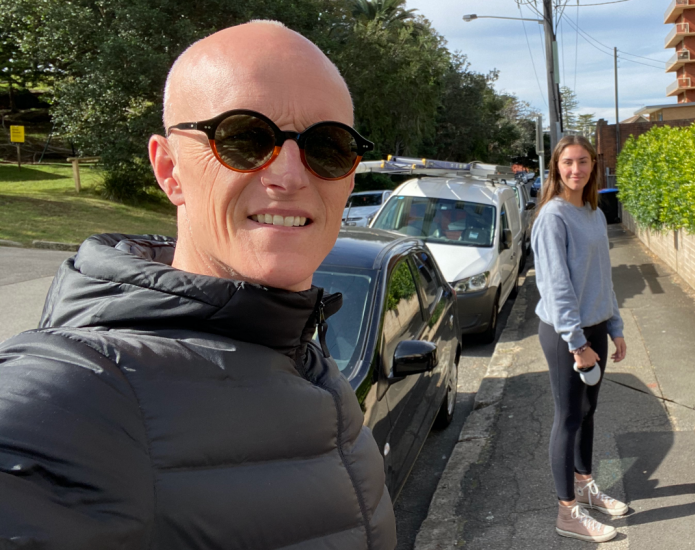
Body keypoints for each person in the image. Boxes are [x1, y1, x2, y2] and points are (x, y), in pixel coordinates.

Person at [0, 21, 397, 549]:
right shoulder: (80, 392)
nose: (291, 175)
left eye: (326, 146)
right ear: (169, 169)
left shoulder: (308, 361)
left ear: (348, 176)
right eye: (246, 138)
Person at [531, 135, 629, 543]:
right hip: (563, 333)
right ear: (556, 168)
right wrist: (576, 343)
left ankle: (585, 484)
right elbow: (557, 287)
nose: (576, 170)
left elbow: (602, 279)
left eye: (584, 161)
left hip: (594, 328)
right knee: (568, 417)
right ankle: (566, 512)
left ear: (594, 165)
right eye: (568, 163)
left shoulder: (593, 213)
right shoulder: (553, 217)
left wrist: (615, 327)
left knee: (588, 411)